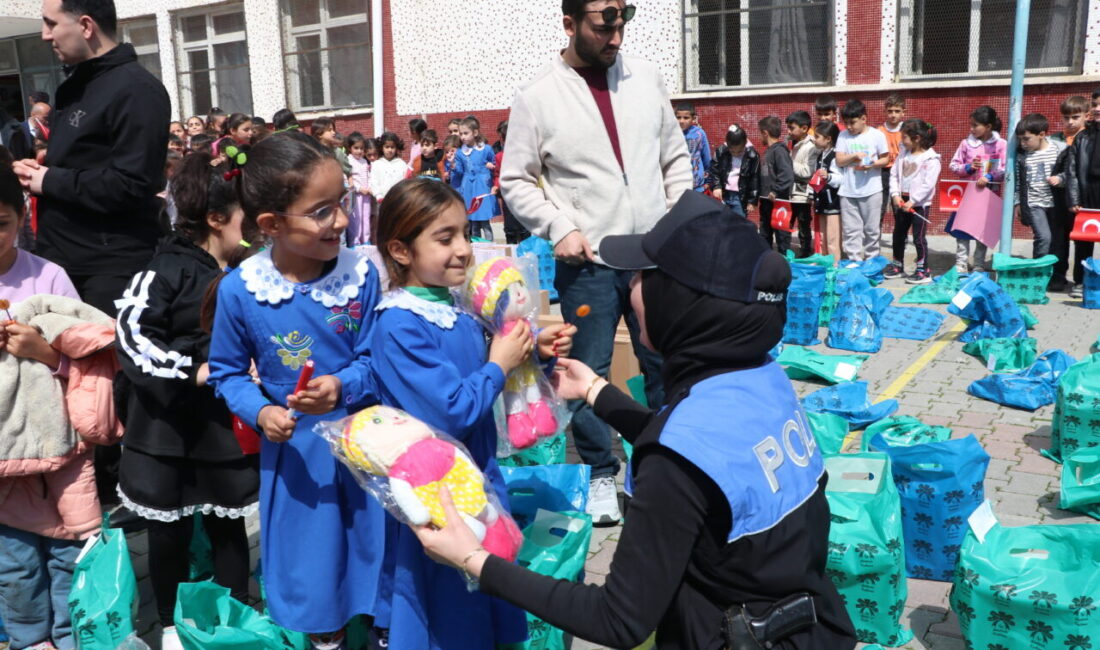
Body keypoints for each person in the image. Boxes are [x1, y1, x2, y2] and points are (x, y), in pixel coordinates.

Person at [412, 190, 857, 650]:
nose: (629, 287)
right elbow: (710, 464)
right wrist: (594, 391)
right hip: (809, 625)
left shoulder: (676, 459)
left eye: (644, 276)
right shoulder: (764, 377)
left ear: (682, 302)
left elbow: (618, 619)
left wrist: (474, 558)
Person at [500, 0, 692, 524]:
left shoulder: (647, 78)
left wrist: (675, 219)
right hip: (588, 263)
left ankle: (659, 466)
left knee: (664, 366)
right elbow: (515, 179)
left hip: (654, 257)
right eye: (602, 26)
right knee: (586, 371)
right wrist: (560, 226)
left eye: (621, 24)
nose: (614, 38)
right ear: (569, 23)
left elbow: (675, 158)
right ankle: (601, 474)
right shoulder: (538, 96)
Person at [370, 177, 573, 649]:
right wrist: (499, 362)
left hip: (479, 476)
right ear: (401, 251)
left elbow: (483, 375)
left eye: (465, 233)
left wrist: (529, 352)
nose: (464, 249)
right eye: (445, 239)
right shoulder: (399, 324)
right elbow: (455, 411)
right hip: (438, 494)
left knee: (487, 591)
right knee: (451, 609)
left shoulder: (456, 306)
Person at [207, 132, 386, 649]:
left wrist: (344, 384)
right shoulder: (242, 289)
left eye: (344, 204)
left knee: (374, 552)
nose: (343, 221)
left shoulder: (362, 275)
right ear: (271, 225)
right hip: (299, 458)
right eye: (323, 211)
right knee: (314, 567)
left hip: (366, 442)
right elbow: (227, 372)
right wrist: (262, 413)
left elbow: (377, 357)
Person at [12, 0, 170, 509]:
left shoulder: (138, 89)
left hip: (111, 266)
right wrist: (47, 167)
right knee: (63, 378)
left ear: (85, 24)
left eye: (50, 23)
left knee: (112, 383)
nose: (43, 36)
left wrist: (51, 179)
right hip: (63, 261)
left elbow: (134, 182)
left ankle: (129, 496)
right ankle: (80, 487)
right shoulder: (75, 84)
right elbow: (90, 163)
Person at [114, 151, 259, 650]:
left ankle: (236, 619)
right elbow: (131, 335)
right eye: (243, 217)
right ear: (217, 219)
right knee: (167, 534)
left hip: (219, 429)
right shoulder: (165, 270)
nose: (251, 228)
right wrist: (191, 369)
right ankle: (174, 630)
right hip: (166, 430)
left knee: (227, 526)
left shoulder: (242, 272)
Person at [0, 164, 96, 650]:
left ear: (21, 219)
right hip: (3, 462)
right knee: (12, 561)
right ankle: (26, 640)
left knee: (68, 550)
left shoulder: (49, 277)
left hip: (60, 449)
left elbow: (91, 355)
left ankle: (71, 636)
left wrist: (45, 354)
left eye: (1, 222)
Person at [947, 105, 1006, 274]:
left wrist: (989, 177)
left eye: (975, 125)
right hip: (967, 195)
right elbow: (953, 165)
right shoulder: (966, 144)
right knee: (962, 228)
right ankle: (961, 262)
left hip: (989, 196)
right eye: (971, 125)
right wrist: (968, 167)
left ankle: (979, 263)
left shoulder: (1001, 145)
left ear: (988, 127)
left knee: (982, 231)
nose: (971, 129)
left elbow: (1004, 169)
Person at [886, 119, 941, 284]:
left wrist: (913, 200)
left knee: (919, 238)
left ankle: (923, 270)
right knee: (898, 234)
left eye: (904, 137)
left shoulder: (931, 159)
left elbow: (928, 185)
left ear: (916, 138)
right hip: (902, 201)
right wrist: (895, 194)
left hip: (919, 205)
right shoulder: (903, 154)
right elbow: (894, 175)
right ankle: (897, 265)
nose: (901, 141)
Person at [834, 99, 889, 262]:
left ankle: (872, 261)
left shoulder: (877, 135)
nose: (849, 127)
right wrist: (853, 156)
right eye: (846, 123)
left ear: (864, 119)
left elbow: (885, 159)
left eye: (853, 123)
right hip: (848, 191)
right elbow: (839, 160)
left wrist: (872, 165)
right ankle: (854, 262)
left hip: (872, 190)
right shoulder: (843, 136)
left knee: (872, 230)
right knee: (851, 231)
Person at [1013, 113, 1072, 262]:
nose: (1023, 144)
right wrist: (1018, 203)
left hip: (1055, 203)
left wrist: (1060, 179)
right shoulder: (1022, 156)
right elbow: (1018, 182)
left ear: (1041, 134)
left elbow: (1070, 172)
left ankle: (1054, 275)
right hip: (1034, 204)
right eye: (1020, 140)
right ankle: (1038, 270)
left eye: (1026, 139)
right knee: (1044, 237)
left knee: (1056, 240)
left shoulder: (1059, 150)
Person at [1048, 95, 1088, 292]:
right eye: (1066, 117)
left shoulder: (1089, 138)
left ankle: (1080, 279)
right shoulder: (1054, 139)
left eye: (1075, 117)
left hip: (1082, 198)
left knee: (1082, 241)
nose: (1070, 122)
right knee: (1058, 239)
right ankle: (1058, 276)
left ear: (1086, 116)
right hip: (1059, 198)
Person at [1069, 105, 1098, 299]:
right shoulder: (1083, 136)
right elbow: (1072, 171)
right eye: (1095, 104)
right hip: (1089, 192)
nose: (1097, 108)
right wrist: (1074, 198)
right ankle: (1081, 281)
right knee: (1083, 240)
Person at [454, 116, 497, 241]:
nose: (463, 136)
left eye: (466, 133)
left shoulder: (486, 149)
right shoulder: (460, 152)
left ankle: (490, 247)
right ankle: (477, 249)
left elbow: (495, 165)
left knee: (485, 222)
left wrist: (492, 166)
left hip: (482, 186)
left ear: (475, 132)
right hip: (468, 188)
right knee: (472, 222)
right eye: (461, 134)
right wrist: (453, 166)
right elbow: (460, 171)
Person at [705, 124, 759, 218]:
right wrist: (716, 186)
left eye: (739, 151)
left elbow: (755, 178)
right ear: (727, 145)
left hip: (740, 196)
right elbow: (714, 169)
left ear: (745, 143)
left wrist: (752, 200)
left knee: (738, 224)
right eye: (732, 151)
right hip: (723, 194)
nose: (736, 154)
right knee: (722, 222)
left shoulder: (752, 155)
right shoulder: (721, 151)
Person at [758, 115, 794, 253]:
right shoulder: (769, 151)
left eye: (760, 133)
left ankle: (786, 264)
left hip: (779, 202)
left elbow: (787, 175)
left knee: (782, 236)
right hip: (767, 200)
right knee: (765, 233)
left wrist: (776, 191)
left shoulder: (779, 151)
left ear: (765, 133)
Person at [788, 110, 819, 257]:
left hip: (802, 192)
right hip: (788, 191)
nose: (789, 131)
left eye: (792, 128)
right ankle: (785, 249)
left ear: (804, 128)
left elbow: (807, 171)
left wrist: (788, 163)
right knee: (786, 220)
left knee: (803, 222)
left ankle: (805, 251)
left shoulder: (812, 146)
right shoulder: (789, 142)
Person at [812, 121, 842, 260]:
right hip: (821, 202)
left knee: (832, 238)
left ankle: (834, 265)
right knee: (823, 236)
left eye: (817, 136)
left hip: (833, 205)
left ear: (828, 138)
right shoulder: (821, 155)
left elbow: (841, 179)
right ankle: (824, 262)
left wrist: (829, 176)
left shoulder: (835, 156)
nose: (814, 139)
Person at [877, 94, 906, 222]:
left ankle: (900, 238)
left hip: (901, 172)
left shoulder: (907, 129)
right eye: (890, 111)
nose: (893, 115)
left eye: (897, 111)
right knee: (880, 206)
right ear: (885, 111)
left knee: (898, 207)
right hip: (883, 171)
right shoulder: (879, 131)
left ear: (903, 113)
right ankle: (875, 237)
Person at [676, 102, 711, 192]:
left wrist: (708, 181)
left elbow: (706, 158)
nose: (682, 121)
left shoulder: (699, 133)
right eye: (678, 117)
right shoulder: (671, 135)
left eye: (686, 118)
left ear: (693, 118)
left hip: (697, 185)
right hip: (677, 184)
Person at [347, 131, 373, 246]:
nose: (359, 151)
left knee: (366, 218)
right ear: (350, 148)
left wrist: (370, 187)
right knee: (356, 219)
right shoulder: (348, 161)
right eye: (356, 148)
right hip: (355, 195)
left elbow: (368, 176)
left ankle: (366, 240)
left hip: (366, 195)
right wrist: (358, 188)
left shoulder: (364, 161)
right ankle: (355, 242)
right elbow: (347, 178)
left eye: (361, 148)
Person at [370, 131, 408, 203]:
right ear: (382, 148)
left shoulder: (402, 164)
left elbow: (405, 182)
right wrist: (378, 196)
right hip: (382, 201)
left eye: (392, 147)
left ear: (396, 148)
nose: (390, 150)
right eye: (387, 147)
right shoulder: (377, 164)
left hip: (398, 200)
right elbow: (374, 182)